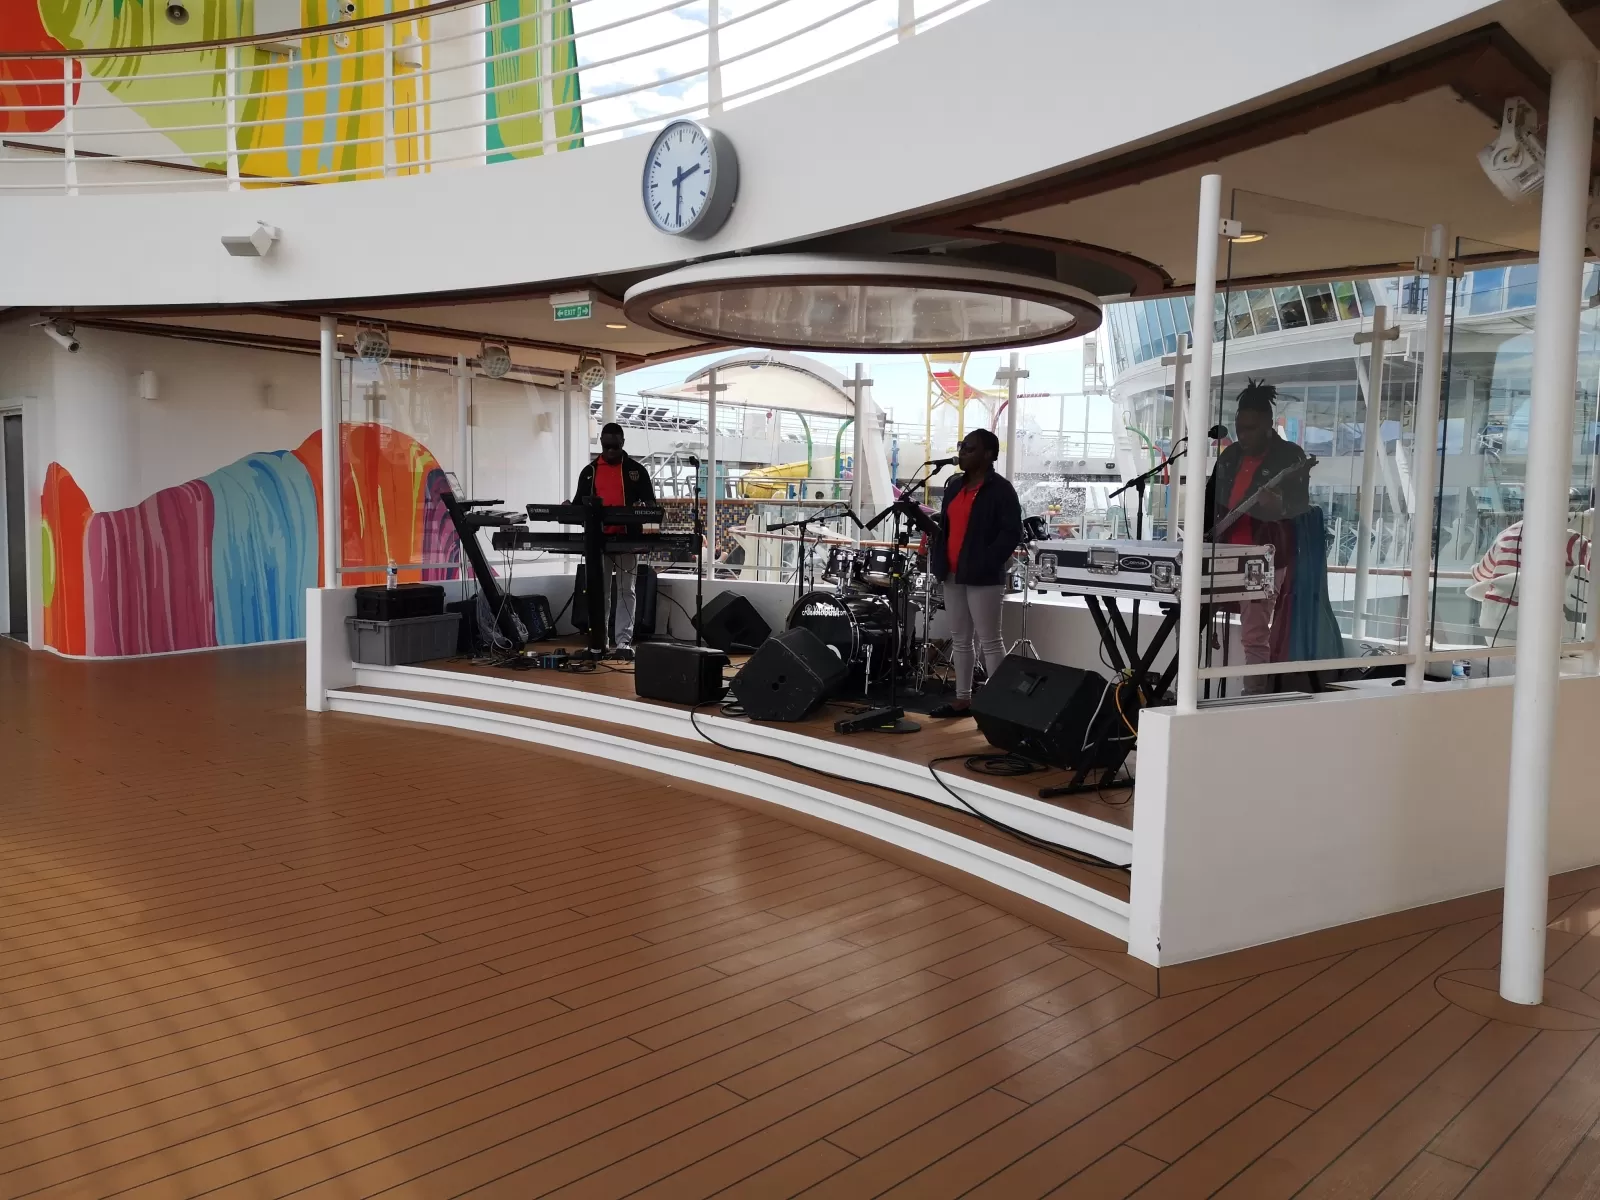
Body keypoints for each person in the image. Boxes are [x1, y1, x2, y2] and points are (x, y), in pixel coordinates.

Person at [1204, 379, 1311, 690]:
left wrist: (1279, 506)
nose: (1243, 435)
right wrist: (1204, 534)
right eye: (1240, 428)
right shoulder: (1229, 457)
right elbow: (1208, 500)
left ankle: (1252, 696)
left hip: (1264, 557)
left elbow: (1300, 507)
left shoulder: (1289, 457)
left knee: (1254, 634)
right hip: (1224, 552)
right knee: (1191, 614)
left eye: (1251, 429)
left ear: (1268, 425)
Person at [927, 429, 1022, 717]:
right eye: (962, 447)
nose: (963, 452)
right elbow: (946, 527)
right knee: (960, 639)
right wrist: (936, 555)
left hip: (983, 576)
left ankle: (999, 708)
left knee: (990, 641)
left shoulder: (1001, 489)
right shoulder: (955, 486)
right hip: (952, 573)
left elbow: (1011, 533)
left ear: (988, 454)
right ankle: (963, 699)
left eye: (969, 448)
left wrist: (987, 561)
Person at [571, 422, 656, 652]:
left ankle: (623, 641)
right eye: (606, 446)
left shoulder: (636, 471)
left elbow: (651, 503)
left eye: (615, 447)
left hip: (628, 540)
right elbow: (578, 505)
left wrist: (644, 508)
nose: (610, 451)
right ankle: (600, 641)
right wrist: (569, 507)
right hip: (598, 541)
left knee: (627, 590)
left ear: (623, 443)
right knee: (601, 592)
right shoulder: (589, 472)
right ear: (601, 443)